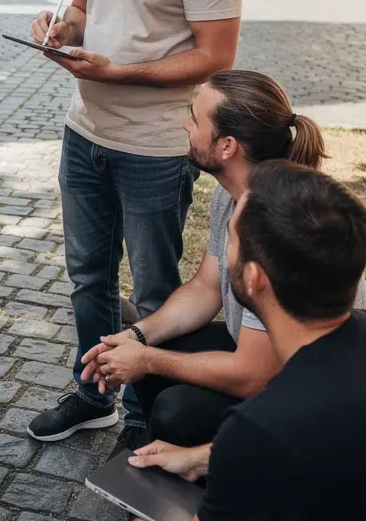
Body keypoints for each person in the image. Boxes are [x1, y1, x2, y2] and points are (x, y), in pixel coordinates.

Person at [52, 160, 366, 521]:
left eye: (232, 236)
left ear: (256, 281)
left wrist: (141, 502)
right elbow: (325, 453)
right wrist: (200, 457)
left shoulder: (266, 427)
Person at [26, 0, 243, 445]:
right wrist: (60, 30)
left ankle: (146, 417)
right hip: (85, 131)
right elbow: (86, 7)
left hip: (155, 146)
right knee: (87, 275)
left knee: (152, 286)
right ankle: (93, 396)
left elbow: (216, 55)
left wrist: (123, 72)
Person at [80, 70, 330, 453]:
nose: (185, 124)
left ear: (227, 145)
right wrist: (136, 337)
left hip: (308, 400)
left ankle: (209, 497)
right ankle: (170, 465)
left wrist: (148, 359)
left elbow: (253, 376)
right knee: (152, 360)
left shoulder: (278, 229)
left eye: (195, 118)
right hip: (255, 356)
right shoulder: (231, 195)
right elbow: (205, 288)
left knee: (176, 408)